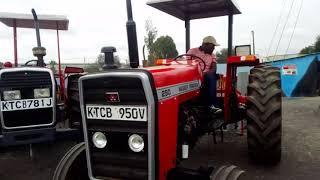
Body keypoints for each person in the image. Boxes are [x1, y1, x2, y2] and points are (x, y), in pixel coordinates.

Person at [187, 36, 222, 114]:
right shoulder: (192, 51)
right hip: (193, 75)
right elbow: (186, 64)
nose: (214, 48)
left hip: (206, 75)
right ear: (205, 45)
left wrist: (209, 72)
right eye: (212, 46)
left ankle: (212, 105)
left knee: (211, 76)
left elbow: (214, 67)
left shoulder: (212, 55)